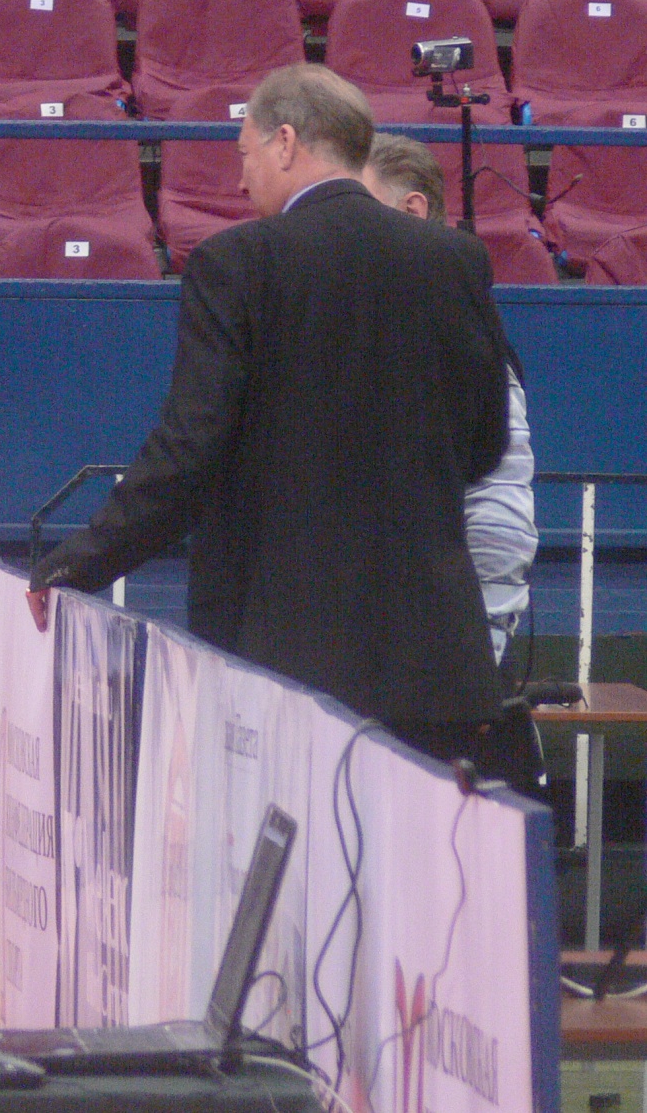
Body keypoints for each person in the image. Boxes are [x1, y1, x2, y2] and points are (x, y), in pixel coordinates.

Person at [28, 64, 516, 779]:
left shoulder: (236, 263)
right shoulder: (456, 259)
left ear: (285, 142)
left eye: (245, 153)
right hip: (434, 666)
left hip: (285, 666)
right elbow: (486, 445)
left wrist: (76, 564)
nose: (239, 180)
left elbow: (188, 455)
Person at [361, 133, 538, 671]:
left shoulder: (470, 342)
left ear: (412, 210)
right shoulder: (347, 328)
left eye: (358, 204)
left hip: (448, 659)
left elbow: (499, 516)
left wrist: (481, 648)